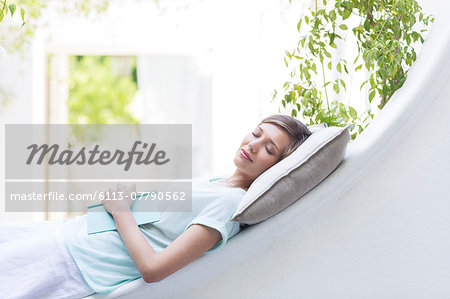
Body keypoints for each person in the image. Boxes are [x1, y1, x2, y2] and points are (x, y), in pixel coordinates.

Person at [0, 114, 312, 299]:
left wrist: (122, 211)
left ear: (277, 167)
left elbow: (154, 269)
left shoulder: (230, 205)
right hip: (68, 237)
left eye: (269, 148)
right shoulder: (218, 182)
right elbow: (158, 226)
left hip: (77, 265)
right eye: (256, 133)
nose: (253, 145)